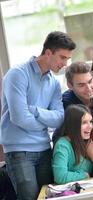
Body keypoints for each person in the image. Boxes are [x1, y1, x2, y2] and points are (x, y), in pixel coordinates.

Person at [0, 31, 76, 199]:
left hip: (44, 148)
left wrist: (35, 111)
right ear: (48, 53)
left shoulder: (54, 83)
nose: (65, 63)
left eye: (67, 59)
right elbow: (19, 118)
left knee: (51, 197)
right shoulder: (17, 74)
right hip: (19, 151)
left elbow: (59, 118)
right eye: (62, 58)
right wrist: (44, 123)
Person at [52, 61, 93, 174]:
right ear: (70, 85)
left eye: (90, 81)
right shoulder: (67, 103)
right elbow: (82, 137)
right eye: (81, 85)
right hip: (74, 148)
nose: (88, 88)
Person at [52, 105, 93, 184]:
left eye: (91, 122)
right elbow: (60, 177)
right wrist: (83, 175)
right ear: (73, 124)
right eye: (84, 123)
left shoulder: (87, 141)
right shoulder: (62, 145)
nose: (90, 126)